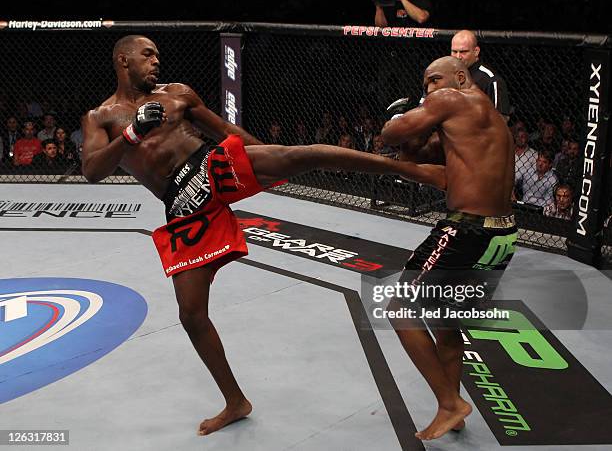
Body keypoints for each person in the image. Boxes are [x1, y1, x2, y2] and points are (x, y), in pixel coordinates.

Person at [82, 35, 446, 437]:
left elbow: (224, 130)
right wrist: (132, 134)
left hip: (210, 166)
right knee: (191, 314)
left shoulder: (178, 94)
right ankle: (235, 401)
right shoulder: (101, 117)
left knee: (304, 154)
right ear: (123, 60)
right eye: (147, 55)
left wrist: (270, 160)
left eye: (157, 55)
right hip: (182, 204)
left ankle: (413, 171)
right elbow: (92, 170)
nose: (155, 62)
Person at [381, 56, 516, 440]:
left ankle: (449, 403)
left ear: (460, 77)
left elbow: (393, 135)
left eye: (434, 80)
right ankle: (453, 411)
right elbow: (416, 153)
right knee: (446, 321)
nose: (430, 90)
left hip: (466, 230)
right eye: (425, 85)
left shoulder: (454, 99)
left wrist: (397, 120)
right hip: (502, 235)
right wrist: (413, 137)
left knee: (399, 307)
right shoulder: (487, 121)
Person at [450, 30, 511, 120]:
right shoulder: (446, 74)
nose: (458, 57)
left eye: (463, 52)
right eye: (454, 52)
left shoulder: (490, 79)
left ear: (476, 51)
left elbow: (501, 120)